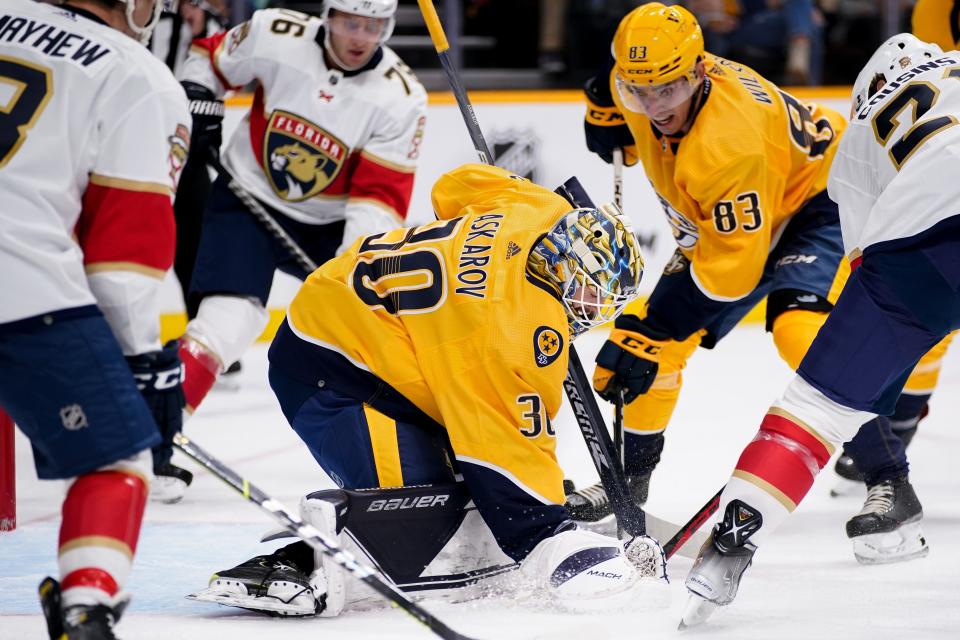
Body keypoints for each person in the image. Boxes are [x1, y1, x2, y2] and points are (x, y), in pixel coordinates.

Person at [187, 163, 666, 617]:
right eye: (591, 293)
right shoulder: (509, 335)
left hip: (375, 326)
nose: (590, 308)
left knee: (469, 490)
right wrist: (547, 528)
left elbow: (456, 185)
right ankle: (301, 564)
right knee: (425, 510)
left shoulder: (534, 206)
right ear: (566, 270)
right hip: (332, 366)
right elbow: (503, 454)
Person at [570, 1, 942, 564]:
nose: (651, 106)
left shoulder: (729, 142)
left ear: (698, 73)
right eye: (636, 89)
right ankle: (630, 481)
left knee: (802, 334)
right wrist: (606, 94)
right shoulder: (657, 84)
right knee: (654, 345)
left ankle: (892, 482)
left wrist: (654, 320)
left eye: (665, 90)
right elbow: (633, 78)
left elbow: (732, 272)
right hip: (745, 213)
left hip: (815, 204)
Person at [680, 33, 960, 625]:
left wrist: (863, 367)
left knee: (814, 409)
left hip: (915, 249)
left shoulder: (863, 126)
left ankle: (729, 544)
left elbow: (861, 254)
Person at [157, 0, 427, 501]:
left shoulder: (401, 96)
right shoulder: (273, 32)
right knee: (227, 320)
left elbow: (377, 202)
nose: (360, 37)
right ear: (327, 15)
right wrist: (198, 95)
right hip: (247, 195)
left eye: (375, 26)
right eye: (350, 22)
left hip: (330, 224)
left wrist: (348, 283)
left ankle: (412, 450)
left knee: (370, 331)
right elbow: (210, 59)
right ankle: (152, 440)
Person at [0, 0, 189, 636]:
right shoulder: (137, 73)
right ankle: (85, 606)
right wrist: (139, 358)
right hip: (24, 286)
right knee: (116, 462)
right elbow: (122, 258)